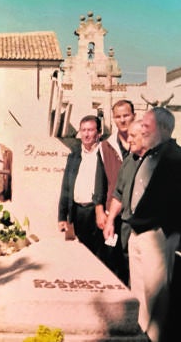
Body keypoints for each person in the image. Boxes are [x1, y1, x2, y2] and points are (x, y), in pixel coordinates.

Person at [103, 108, 181, 342]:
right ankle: (139, 333)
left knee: (156, 293)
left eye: (147, 125)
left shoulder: (174, 157)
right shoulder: (145, 156)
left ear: (163, 128)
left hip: (157, 233)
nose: (142, 130)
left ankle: (154, 337)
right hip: (136, 231)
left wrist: (172, 232)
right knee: (138, 289)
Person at [58, 115, 107, 261]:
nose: (86, 134)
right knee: (83, 254)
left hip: (98, 211)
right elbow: (66, 187)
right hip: (79, 212)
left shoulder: (104, 154)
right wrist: (62, 216)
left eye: (90, 130)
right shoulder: (74, 155)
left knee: (100, 255)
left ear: (98, 133)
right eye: (83, 130)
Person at [97, 100, 135, 285]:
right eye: (118, 116)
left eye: (126, 115)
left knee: (131, 261)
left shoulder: (142, 145)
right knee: (112, 258)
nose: (122, 120)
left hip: (134, 214)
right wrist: (99, 210)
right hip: (112, 210)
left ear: (133, 116)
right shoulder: (106, 146)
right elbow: (100, 180)